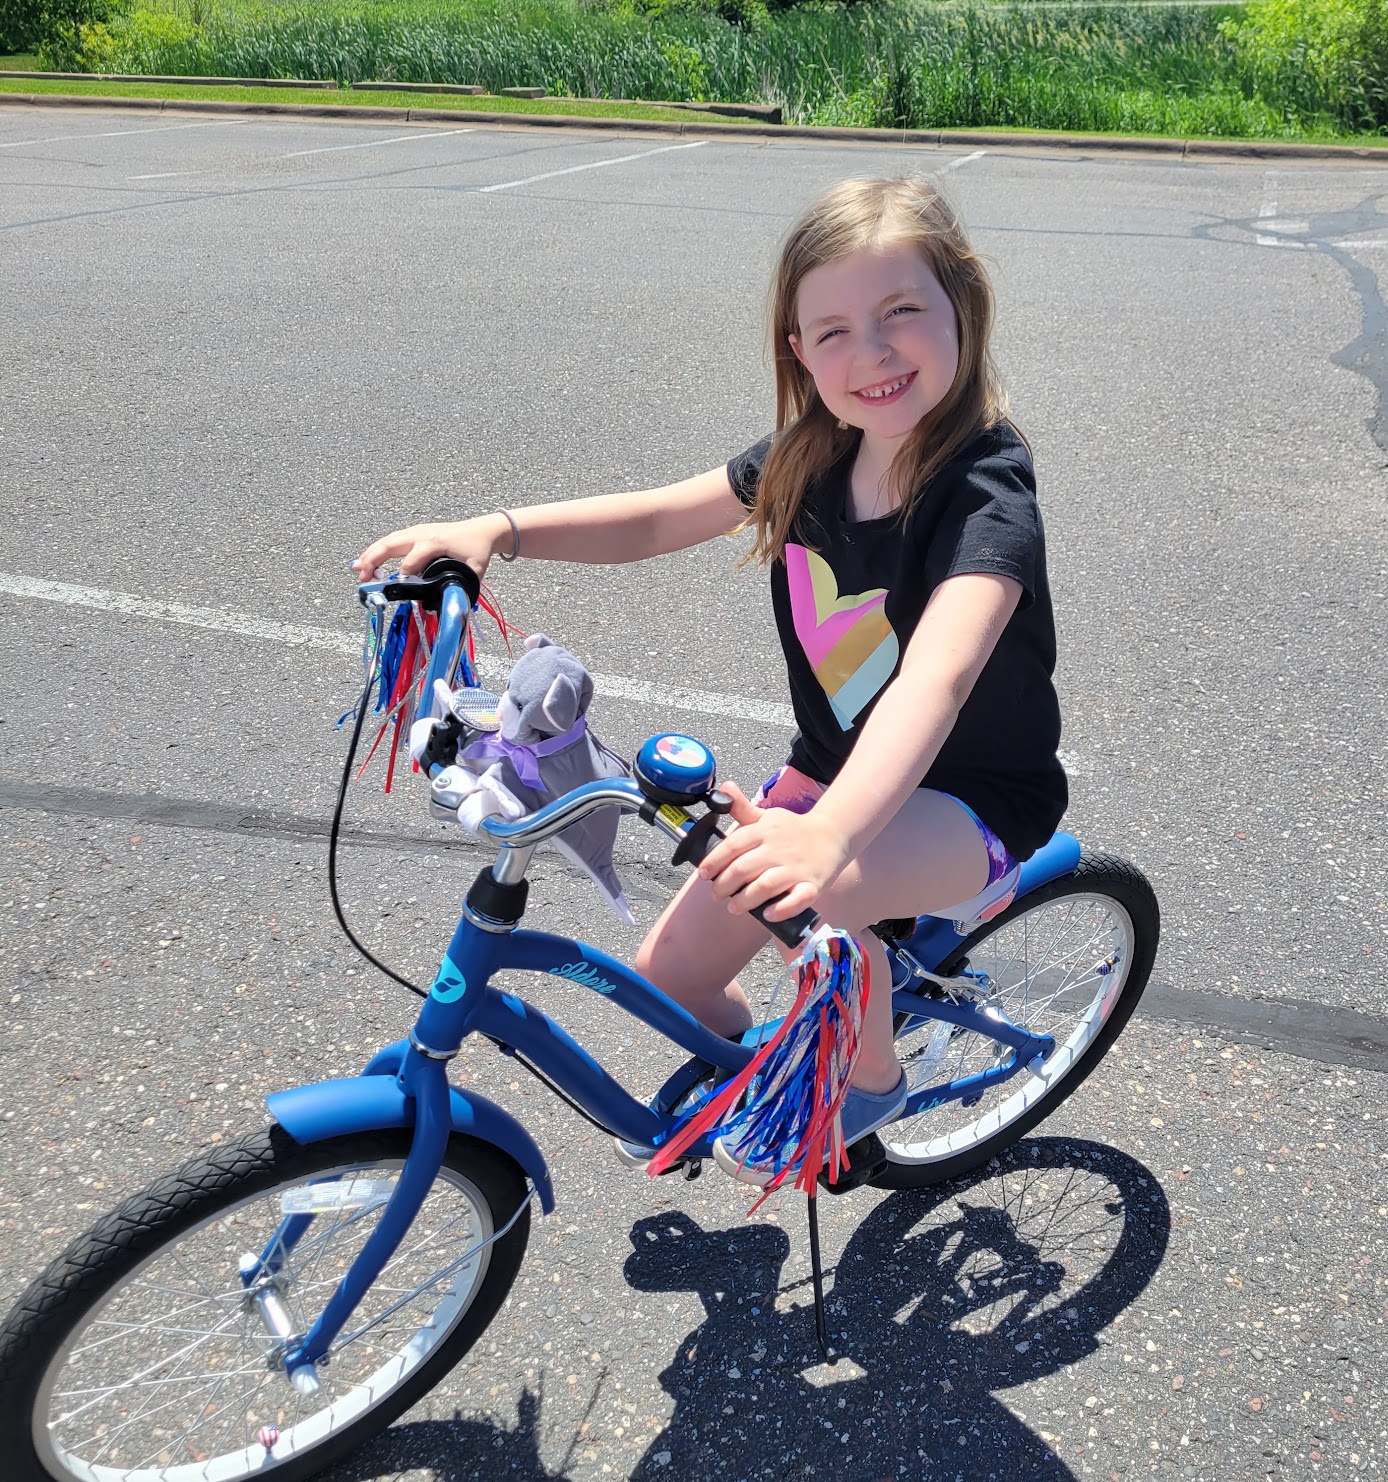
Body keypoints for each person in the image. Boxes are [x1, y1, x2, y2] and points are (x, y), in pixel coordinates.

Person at [355, 175, 1067, 1179]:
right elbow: (654, 518)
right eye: (834, 330)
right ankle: (761, 1063)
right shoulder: (811, 457)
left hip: (971, 800)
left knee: (829, 901)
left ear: (964, 306)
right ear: (798, 350)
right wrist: (498, 531)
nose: (871, 352)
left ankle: (869, 1085)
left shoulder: (986, 494)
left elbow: (936, 680)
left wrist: (829, 832)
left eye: (902, 311)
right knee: (671, 976)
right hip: (832, 775)